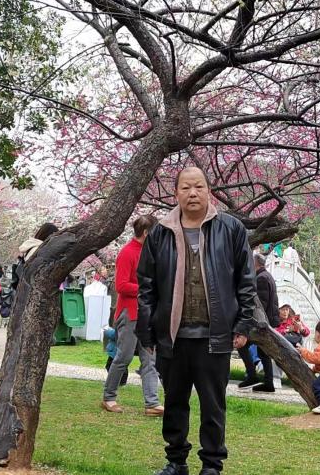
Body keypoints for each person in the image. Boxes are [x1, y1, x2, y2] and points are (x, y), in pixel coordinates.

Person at [137, 166, 257, 475]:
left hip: (214, 336)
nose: (193, 193)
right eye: (186, 187)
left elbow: (246, 281)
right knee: (174, 403)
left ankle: (212, 466)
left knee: (213, 406)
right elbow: (146, 287)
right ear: (176, 192)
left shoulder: (231, 229)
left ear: (209, 191)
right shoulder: (160, 233)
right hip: (173, 337)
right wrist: (147, 332)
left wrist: (244, 324)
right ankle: (176, 462)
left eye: (199, 187)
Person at [100, 214, 163, 415]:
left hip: (147, 314)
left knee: (149, 359)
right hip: (129, 313)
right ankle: (108, 397)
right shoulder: (127, 253)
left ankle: (152, 403)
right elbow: (121, 285)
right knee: (123, 357)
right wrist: (148, 289)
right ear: (145, 233)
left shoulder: (150, 252)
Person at [238, 253, 281, 393]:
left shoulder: (261, 278)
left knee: (242, 344)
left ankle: (253, 376)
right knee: (263, 352)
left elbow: (260, 304)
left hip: (262, 323)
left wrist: (252, 321)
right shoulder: (266, 276)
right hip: (267, 322)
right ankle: (266, 381)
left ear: (255, 264)